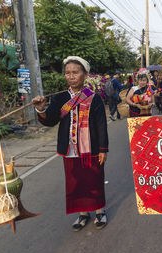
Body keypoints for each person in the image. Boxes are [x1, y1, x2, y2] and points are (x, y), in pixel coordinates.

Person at [32, 56, 108, 231]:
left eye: (75, 72)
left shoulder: (93, 98)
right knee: (76, 182)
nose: (71, 76)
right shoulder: (60, 98)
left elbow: (101, 125)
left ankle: (99, 211)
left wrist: (103, 149)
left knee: (94, 180)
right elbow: (50, 120)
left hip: (92, 149)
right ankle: (82, 214)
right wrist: (41, 109)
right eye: (68, 73)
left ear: (85, 74)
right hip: (70, 149)